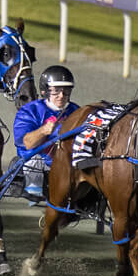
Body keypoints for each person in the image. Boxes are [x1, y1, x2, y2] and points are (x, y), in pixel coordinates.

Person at [12, 65, 82, 201]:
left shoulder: (76, 111)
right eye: (56, 91)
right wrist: (43, 130)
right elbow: (27, 143)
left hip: (67, 163)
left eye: (66, 91)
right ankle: (34, 192)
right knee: (35, 161)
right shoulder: (30, 111)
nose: (61, 96)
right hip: (38, 164)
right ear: (45, 91)